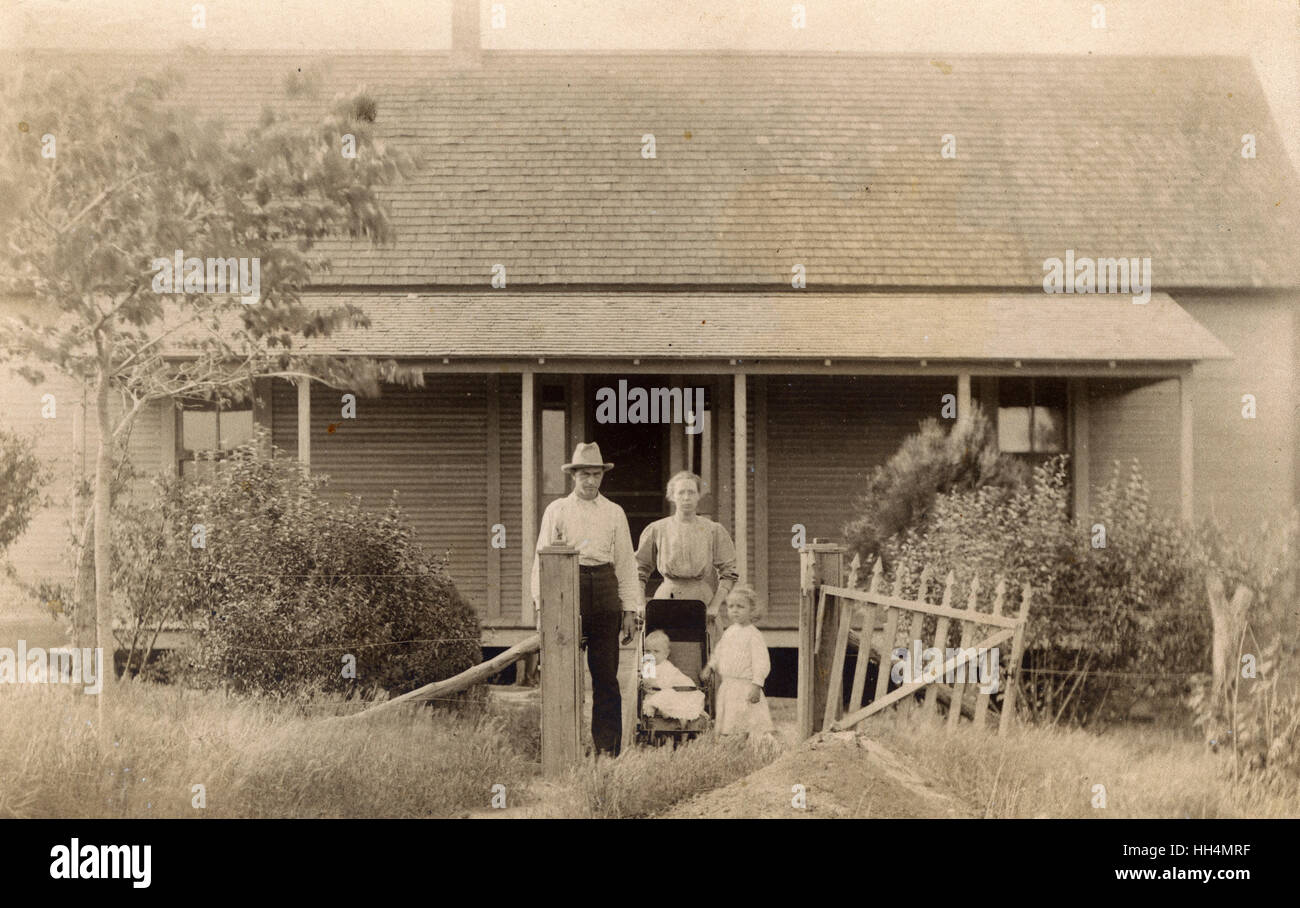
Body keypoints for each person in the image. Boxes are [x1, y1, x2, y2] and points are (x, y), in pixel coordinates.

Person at [531, 442, 642, 758]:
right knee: (565, 670)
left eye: (596, 474)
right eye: (584, 474)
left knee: (605, 673)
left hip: (605, 586)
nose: (590, 481)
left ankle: (607, 749)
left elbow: (625, 563)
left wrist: (630, 609)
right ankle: (563, 745)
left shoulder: (614, 512)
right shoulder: (557, 510)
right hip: (568, 585)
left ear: (602, 476)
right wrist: (542, 606)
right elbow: (542, 559)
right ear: (573, 476)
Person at [635, 470, 739, 645]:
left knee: (704, 655)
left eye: (691, 492)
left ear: (699, 496)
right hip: (666, 601)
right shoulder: (657, 529)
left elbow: (729, 572)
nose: (686, 497)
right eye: (681, 492)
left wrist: (714, 605)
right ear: (672, 496)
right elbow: (639, 570)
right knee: (656, 654)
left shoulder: (713, 530)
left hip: (701, 603)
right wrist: (639, 603)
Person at [700, 584, 774, 741]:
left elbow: (761, 662)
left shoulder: (753, 635)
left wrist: (757, 684)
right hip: (728, 684)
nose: (734, 610)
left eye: (740, 606)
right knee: (729, 718)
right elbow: (719, 652)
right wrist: (710, 666)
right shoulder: (729, 632)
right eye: (731, 606)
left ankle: (748, 743)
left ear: (752, 610)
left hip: (745, 686)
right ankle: (731, 743)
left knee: (745, 720)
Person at [640, 630, 705, 723]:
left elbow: (664, 684)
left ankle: (679, 718)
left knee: (666, 699)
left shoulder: (666, 666)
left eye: (656, 651)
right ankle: (670, 715)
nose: (651, 655)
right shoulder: (647, 665)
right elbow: (647, 683)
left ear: (666, 654)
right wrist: (644, 681)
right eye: (647, 651)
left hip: (682, 691)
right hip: (659, 691)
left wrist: (650, 684)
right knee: (654, 699)